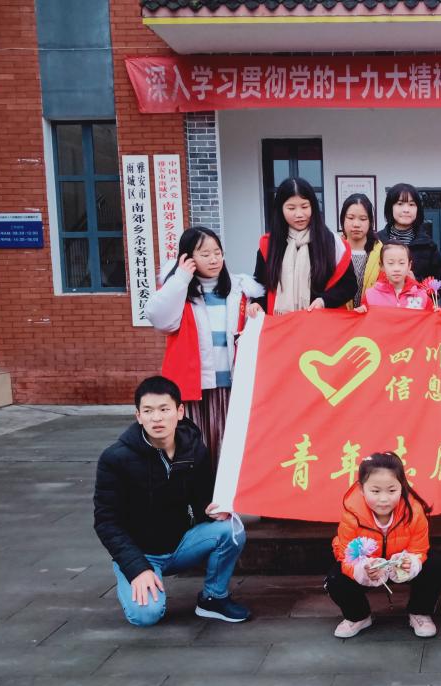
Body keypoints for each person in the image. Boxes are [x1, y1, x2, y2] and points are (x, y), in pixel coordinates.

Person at [93, 376, 249, 627]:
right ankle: (136, 576)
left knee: (232, 528)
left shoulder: (194, 449)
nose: (157, 418)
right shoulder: (115, 459)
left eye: (164, 409)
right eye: (148, 411)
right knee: (146, 615)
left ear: (179, 412)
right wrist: (136, 567)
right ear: (138, 416)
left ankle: (213, 598)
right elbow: (106, 522)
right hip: (141, 554)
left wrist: (213, 511)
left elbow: (203, 499)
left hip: (181, 545)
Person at [146, 227, 262, 468]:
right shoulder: (178, 290)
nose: (213, 259)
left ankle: (223, 492)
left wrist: (256, 312)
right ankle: (196, 491)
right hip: (193, 387)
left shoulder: (241, 290)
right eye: (205, 254)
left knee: (229, 449)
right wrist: (180, 279)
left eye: (217, 253)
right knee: (195, 447)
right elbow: (161, 320)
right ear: (188, 257)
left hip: (231, 386)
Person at [325, 452, 441, 638]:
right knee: (335, 578)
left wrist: (410, 562)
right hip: (371, 569)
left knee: (435, 565)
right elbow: (346, 555)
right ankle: (358, 616)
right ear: (361, 488)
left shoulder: (414, 512)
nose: (383, 499)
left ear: (402, 486)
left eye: (391, 490)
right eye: (375, 491)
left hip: (400, 566)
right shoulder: (351, 515)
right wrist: (363, 568)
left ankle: (419, 612)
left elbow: (419, 549)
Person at [249, 176, 356, 316]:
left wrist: (324, 301)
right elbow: (260, 285)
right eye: (291, 208)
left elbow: (349, 285)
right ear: (280, 209)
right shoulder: (269, 245)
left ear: (313, 206)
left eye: (305, 207)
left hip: (321, 322)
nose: (299, 214)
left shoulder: (332, 243)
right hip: (280, 324)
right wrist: (257, 303)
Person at [379, 183, 441, 294]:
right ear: (390, 207)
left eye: (411, 204)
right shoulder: (378, 242)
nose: (406, 210)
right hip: (383, 302)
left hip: (416, 303)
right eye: (400, 204)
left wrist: (417, 283)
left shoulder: (427, 245)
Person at [360, 242, 434, 311]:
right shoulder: (370, 296)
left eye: (401, 263)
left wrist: (437, 313)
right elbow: (363, 319)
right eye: (391, 263)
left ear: (409, 265)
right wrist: (360, 313)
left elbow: (432, 318)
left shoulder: (422, 296)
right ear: (382, 266)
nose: (396, 269)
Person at [340, 193, 381, 308]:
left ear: (370, 222)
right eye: (350, 218)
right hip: (341, 317)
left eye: (363, 219)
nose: (356, 224)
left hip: (371, 316)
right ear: (342, 220)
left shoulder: (383, 253)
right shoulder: (334, 251)